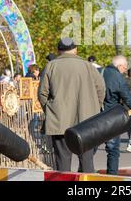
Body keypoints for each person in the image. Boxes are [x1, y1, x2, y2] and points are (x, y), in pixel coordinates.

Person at [39, 38, 105, 173]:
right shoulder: (88, 66)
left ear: (59, 51)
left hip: (60, 121)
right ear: (75, 49)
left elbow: (42, 94)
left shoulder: (51, 66)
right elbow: (101, 89)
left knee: (63, 162)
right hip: (87, 121)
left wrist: (51, 111)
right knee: (87, 161)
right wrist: (94, 109)